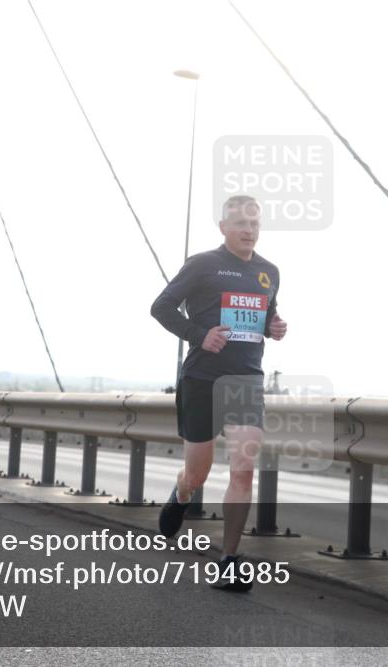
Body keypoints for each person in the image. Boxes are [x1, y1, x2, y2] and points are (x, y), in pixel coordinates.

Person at [150, 194, 288, 592]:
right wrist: (199, 334)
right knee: (198, 473)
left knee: (243, 470)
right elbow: (161, 307)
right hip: (203, 380)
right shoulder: (203, 264)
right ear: (223, 227)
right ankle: (181, 493)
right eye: (241, 224)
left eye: (255, 224)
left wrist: (273, 327)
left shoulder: (269, 271)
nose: (249, 231)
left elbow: (265, 316)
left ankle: (229, 560)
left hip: (246, 380)